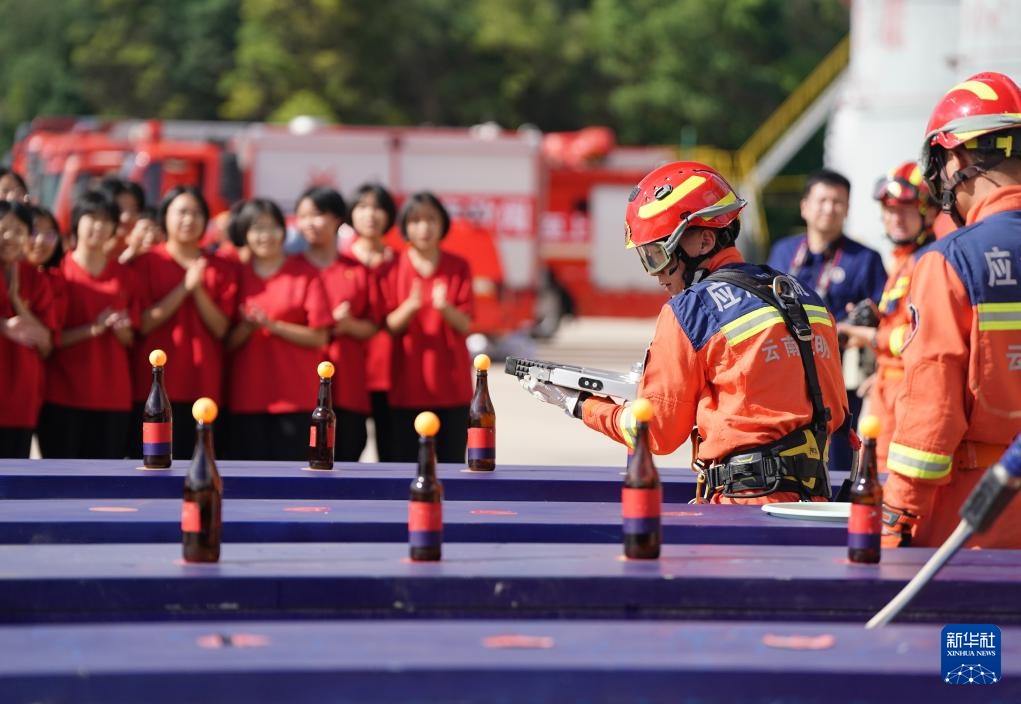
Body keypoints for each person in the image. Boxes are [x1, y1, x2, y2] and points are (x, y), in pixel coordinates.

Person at [525, 162, 848, 504]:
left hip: (742, 510)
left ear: (704, 240)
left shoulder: (690, 311)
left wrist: (581, 405)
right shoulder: (804, 296)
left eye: (657, 255)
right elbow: (836, 411)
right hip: (815, 504)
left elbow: (657, 432)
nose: (656, 274)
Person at [883, 71, 1021, 549]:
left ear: (957, 156)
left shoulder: (949, 260)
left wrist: (897, 514)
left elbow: (932, 412)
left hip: (980, 516)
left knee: (968, 630)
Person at [767, 169, 887, 476]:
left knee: (837, 464)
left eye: (838, 202)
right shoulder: (782, 251)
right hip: (786, 375)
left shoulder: (866, 259)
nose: (829, 208)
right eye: (822, 200)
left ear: (847, 209)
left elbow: (884, 324)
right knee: (784, 458)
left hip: (840, 379)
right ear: (805, 206)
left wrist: (848, 330)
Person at [837, 162, 937, 473]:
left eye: (906, 209)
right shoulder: (904, 261)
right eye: (890, 209)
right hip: (888, 390)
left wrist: (865, 335)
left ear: (929, 212)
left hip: (911, 395)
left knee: (890, 484)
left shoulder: (929, 262)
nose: (896, 218)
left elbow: (920, 337)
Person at [129, 186, 238, 458]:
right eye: (181, 212)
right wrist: (184, 288)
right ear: (165, 216)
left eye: (197, 213)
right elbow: (143, 323)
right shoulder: (146, 262)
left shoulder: (220, 266)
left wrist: (198, 289)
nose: (189, 219)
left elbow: (221, 328)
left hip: (204, 385)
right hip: (155, 389)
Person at [225, 198, 333, 461]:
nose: (265, 236)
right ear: (245, 234)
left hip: (294, 396)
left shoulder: (304, 273)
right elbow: (225, 341)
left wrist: (272, 326)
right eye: (257, 228)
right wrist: (249, 327)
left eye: (272, 227)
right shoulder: (237, 274)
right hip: (247, 397)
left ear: (284, 231)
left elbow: (319, 336)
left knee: (292, 480)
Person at [37, 191, 138, 459]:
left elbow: (133, 339)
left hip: (113, 397)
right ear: (76, 222)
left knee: (107, 487)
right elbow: (51, 338)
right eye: (91, 217)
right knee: (62, 484)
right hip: (63, 396)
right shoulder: (58, 271)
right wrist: (93, 328)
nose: (98, 226)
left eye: (106, 220)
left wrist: (121, 329)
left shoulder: (125, 275)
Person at [381, 192, 474, 463]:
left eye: (431, 219)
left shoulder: (458, 266)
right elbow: (386, 326)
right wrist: (409, 307)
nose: (424, 227)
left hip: (452, 386)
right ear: (404, 227)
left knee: (451, 465)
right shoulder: (393, 266)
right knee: (404, 465)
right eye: (416, 220)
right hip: (405, 385)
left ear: (443, 224)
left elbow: (466, 323)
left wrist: (445, 308)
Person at [296, 186, 378, 461]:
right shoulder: (289, 268)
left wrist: (348, 325)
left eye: (317, 214)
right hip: (299, 389)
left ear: (337, 220)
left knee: (346, 459)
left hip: (348, 388)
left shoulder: (356, 270)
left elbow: (374, 326)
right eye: (303, 215)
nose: (309, 222)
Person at [345, 183, 399, 461]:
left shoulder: (402, 263)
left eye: (378, 207)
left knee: (393, 451)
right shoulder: (340, 262)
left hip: (393, 373)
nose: (370, 215)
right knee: (347, 448)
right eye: (362, 207)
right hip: (348, 372)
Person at [0, 201, 54, 457]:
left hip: (21, 398)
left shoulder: (35, 277)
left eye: (18, 230)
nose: (10, 237)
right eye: (4, 229)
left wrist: (17, 302)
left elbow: (46, 341)